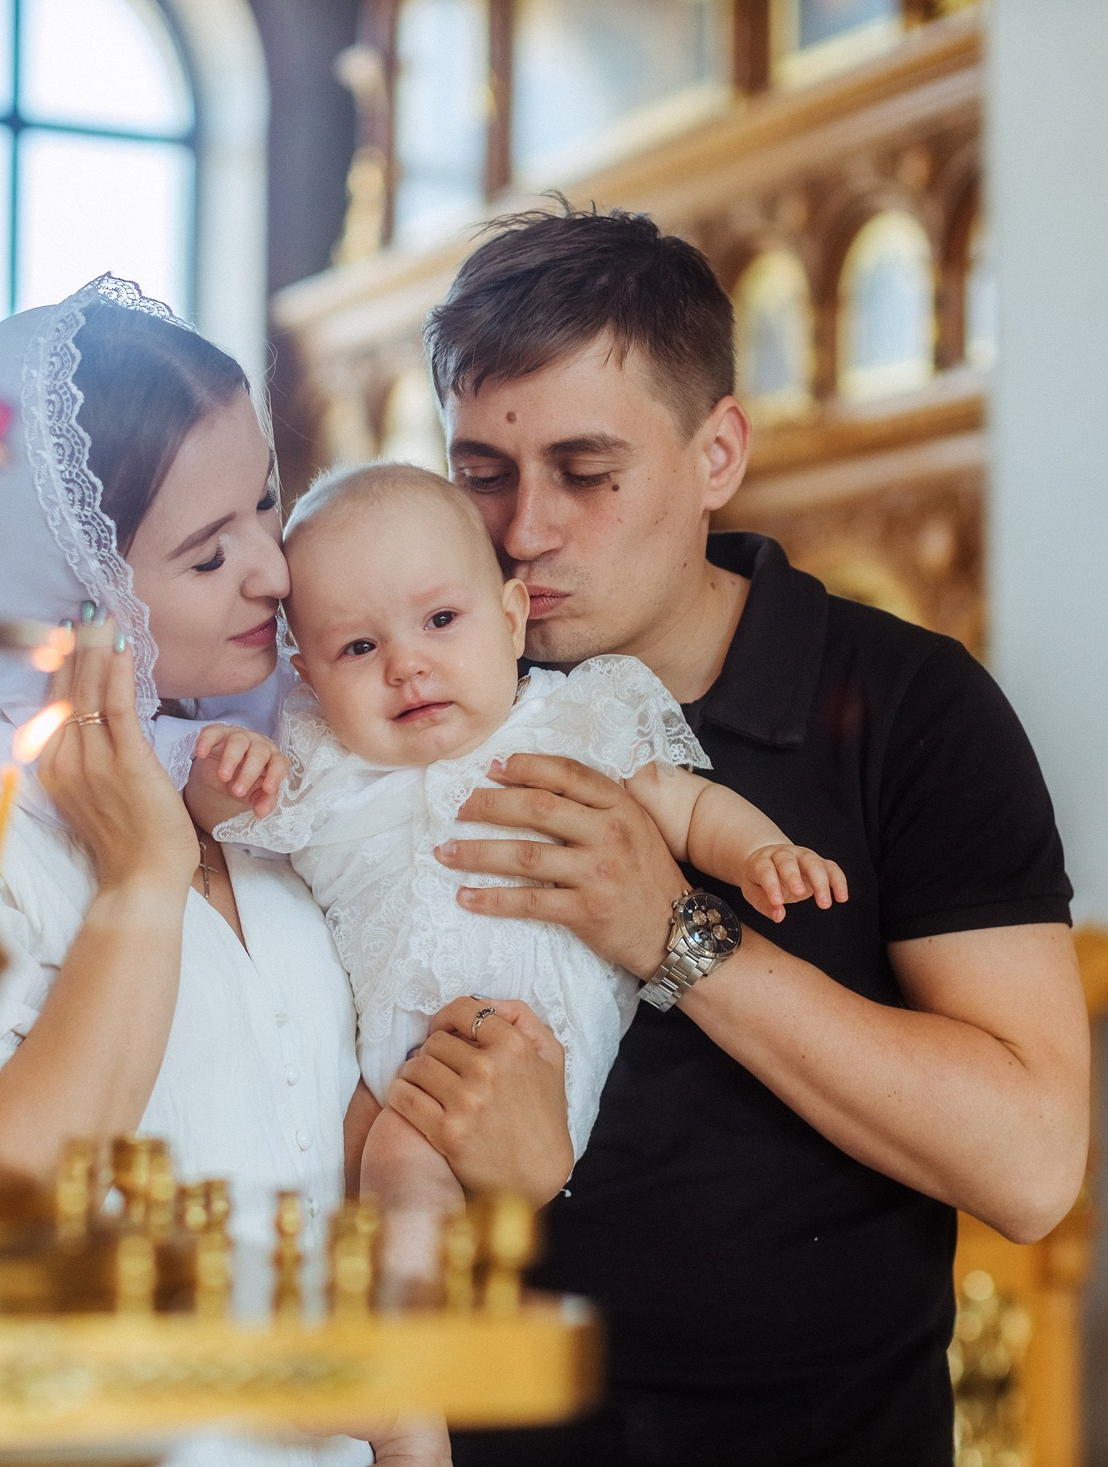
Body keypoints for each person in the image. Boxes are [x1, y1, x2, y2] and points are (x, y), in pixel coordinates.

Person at [420, 210, 1090, 1465]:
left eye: (586, 471)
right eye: (482, 474)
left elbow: (1031, 1162)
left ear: (715, 450)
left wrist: (672, 932)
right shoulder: (407, 694)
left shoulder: (908, 705)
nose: (523, 532)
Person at [0, 277, 563, 1467]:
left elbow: (337, 1103)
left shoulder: (287, 762)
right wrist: (137, 884)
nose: (275, 572)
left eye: (265, 505)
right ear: (78, 590)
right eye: (210, 553)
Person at [191, 462, 844, 1231]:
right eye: (360, 647)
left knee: (406, 1173)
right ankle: (418, 1336)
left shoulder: (573, 720)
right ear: (308, 678)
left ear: (509, 618)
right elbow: (226, 815)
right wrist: (231, 770)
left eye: (440, 620)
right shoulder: (325, 762)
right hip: (403, 1074)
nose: (407, 665)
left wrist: (760, 851)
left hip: (545, 1048)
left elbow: (687, 805)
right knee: (390, 1169)